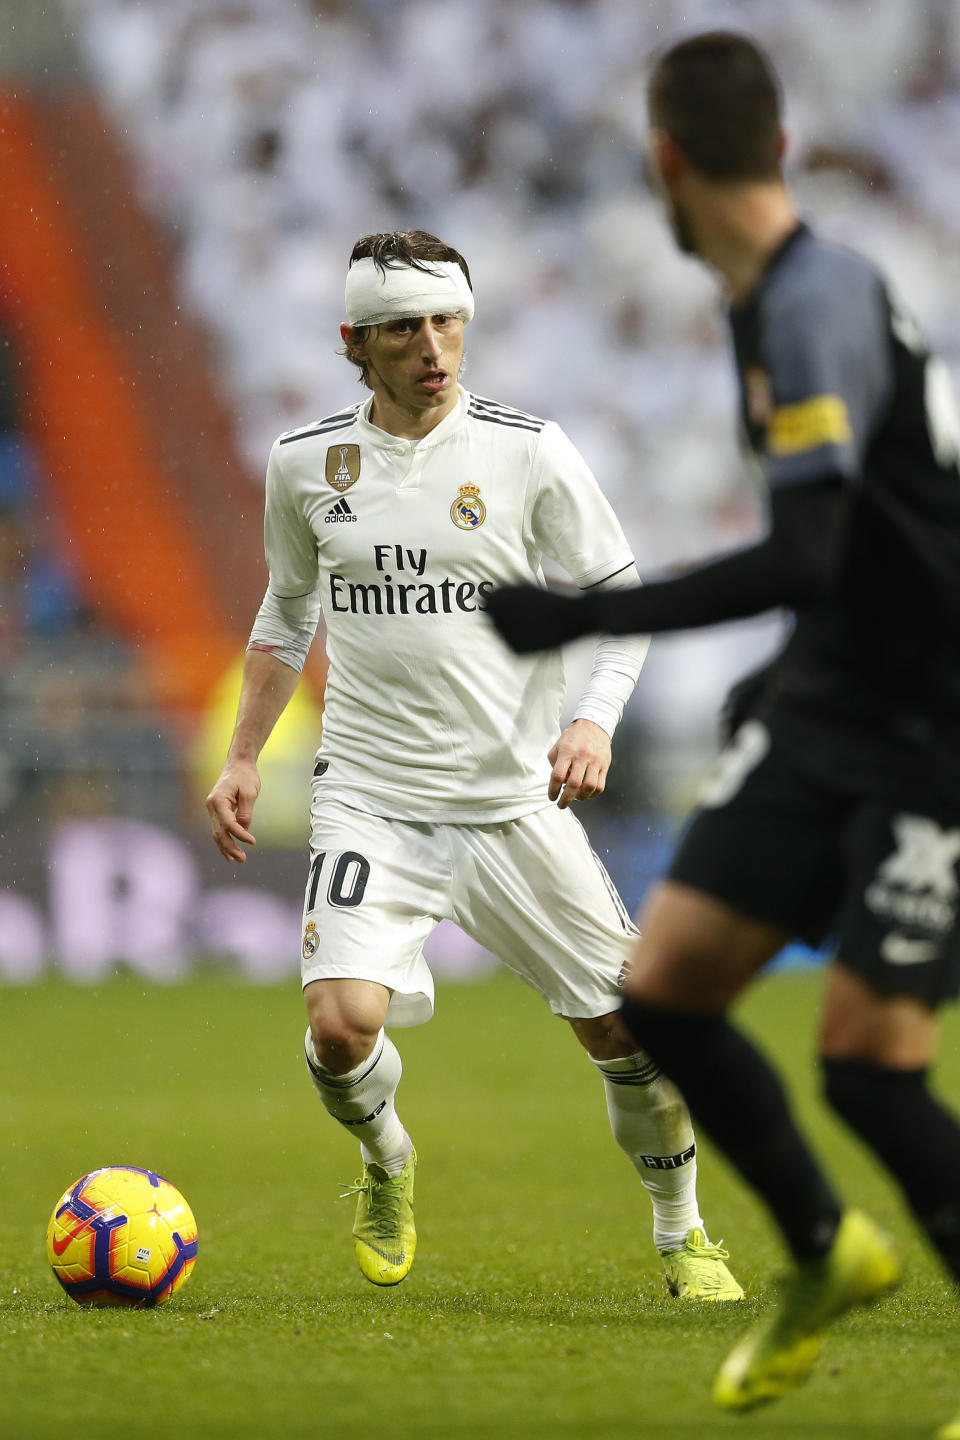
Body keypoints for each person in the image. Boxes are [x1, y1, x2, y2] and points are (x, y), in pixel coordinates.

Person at [487, 31, 960, 1436]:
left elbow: (811, 551)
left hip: (932, 717)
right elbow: (862, 544)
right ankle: (827, 1254)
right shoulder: (776, 303)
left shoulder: (816, 301)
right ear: (785, 147)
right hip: (833, 700)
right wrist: (783, 682)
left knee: (866, 1060)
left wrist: (573, 617)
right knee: (670, 990)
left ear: (667, 163)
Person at [205, 229, 743, 1302]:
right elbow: (285, 613)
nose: (435, 347)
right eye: (405, 327)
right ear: (354, 341)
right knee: (336, 1025)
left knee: (631, 1033)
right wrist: (242, 758)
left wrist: (592, 722)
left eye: (448, 321)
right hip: (372, 796)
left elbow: (617, 600)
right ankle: (388, 1160)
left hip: (511, 802)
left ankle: (682, 1231)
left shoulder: (528, 449)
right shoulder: (306, 462)